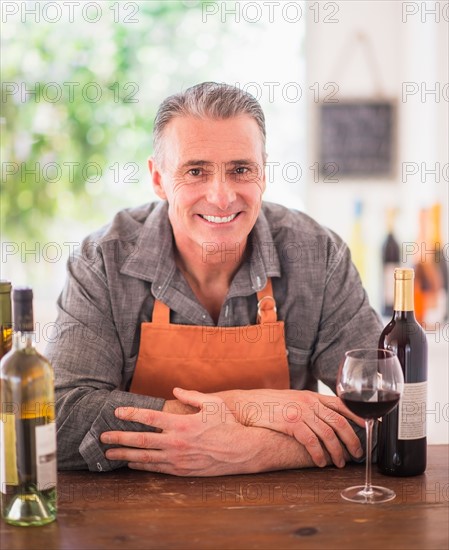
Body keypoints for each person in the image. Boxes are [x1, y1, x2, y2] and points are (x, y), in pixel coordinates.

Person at [47, 82, 382, 475]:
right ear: (158, 179)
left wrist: (259, 450)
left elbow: (388, 410)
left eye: (241, 170)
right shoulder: (101, 261)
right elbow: (59, 421)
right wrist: (247, 406)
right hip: (137, 525)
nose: (221, 197)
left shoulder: (319, 256)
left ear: (263, 173)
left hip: (283, 520)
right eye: (195, 171)